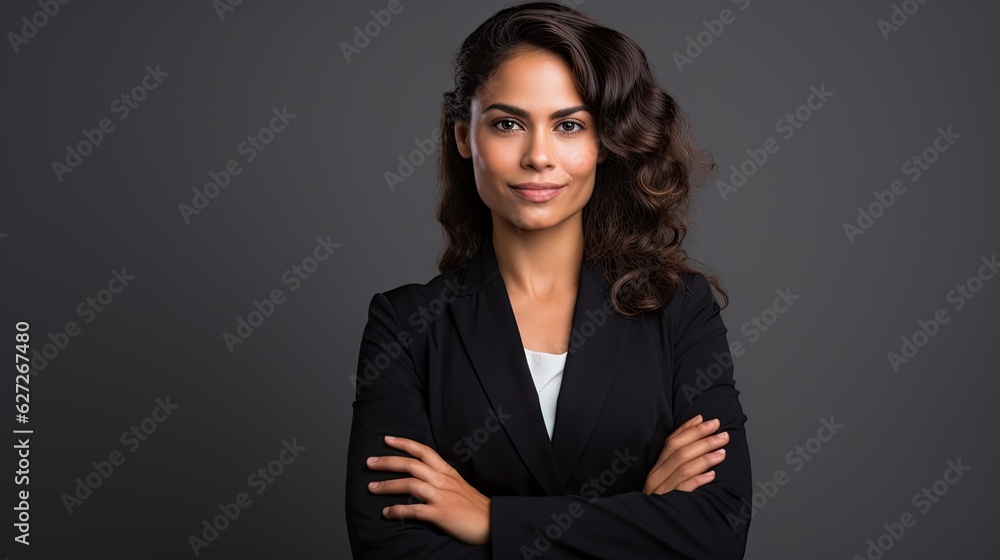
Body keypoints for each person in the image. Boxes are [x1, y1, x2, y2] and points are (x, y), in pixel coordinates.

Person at [344, 2, 752, 558]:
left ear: (603, 143)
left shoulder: (679, 310)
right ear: (464, 135)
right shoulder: (406, 326)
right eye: (508, 123)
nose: (538, 156)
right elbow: (390, 546)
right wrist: (642, 518)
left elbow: (716, 531)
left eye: (569, 125)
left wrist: (492, 520)